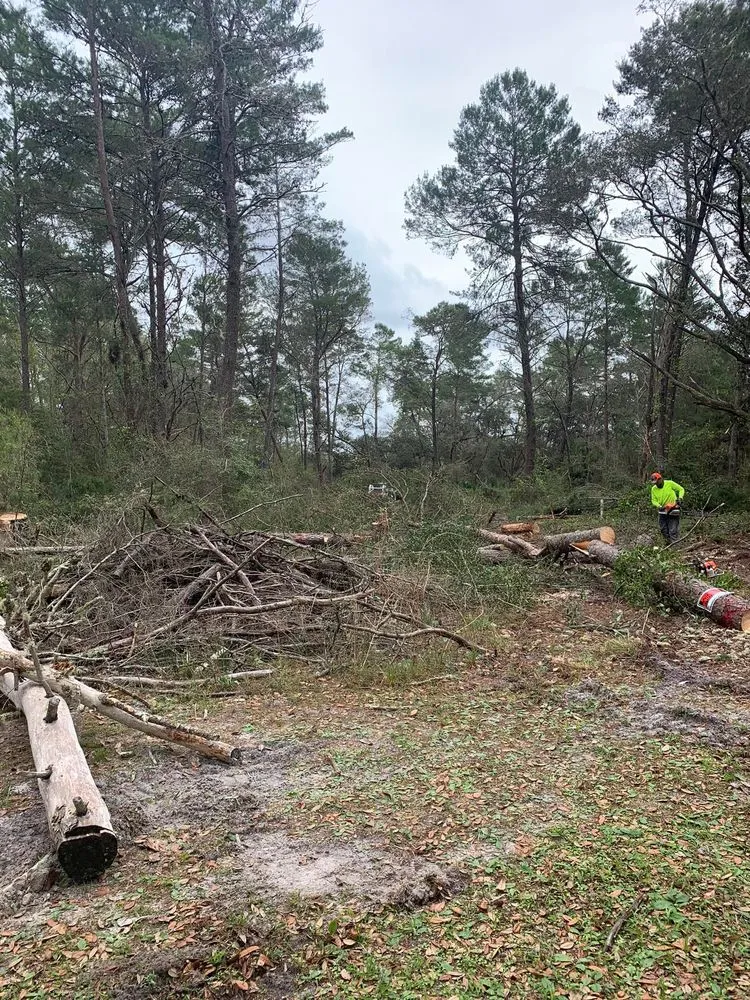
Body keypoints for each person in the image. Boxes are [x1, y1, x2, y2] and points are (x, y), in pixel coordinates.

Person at [650, 472, 685, 545]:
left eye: (657, 482)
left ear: (660, 479)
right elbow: (653, 500)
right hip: (662, 510)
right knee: (663, 530)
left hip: (673, 509)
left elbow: (681, 489)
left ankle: (675, 546)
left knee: (673, 530)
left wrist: (680, 498)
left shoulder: (669, 483)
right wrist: (659, 506)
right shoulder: (653, 489)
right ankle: (668, 545)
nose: (656, 484)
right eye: (654, 483)